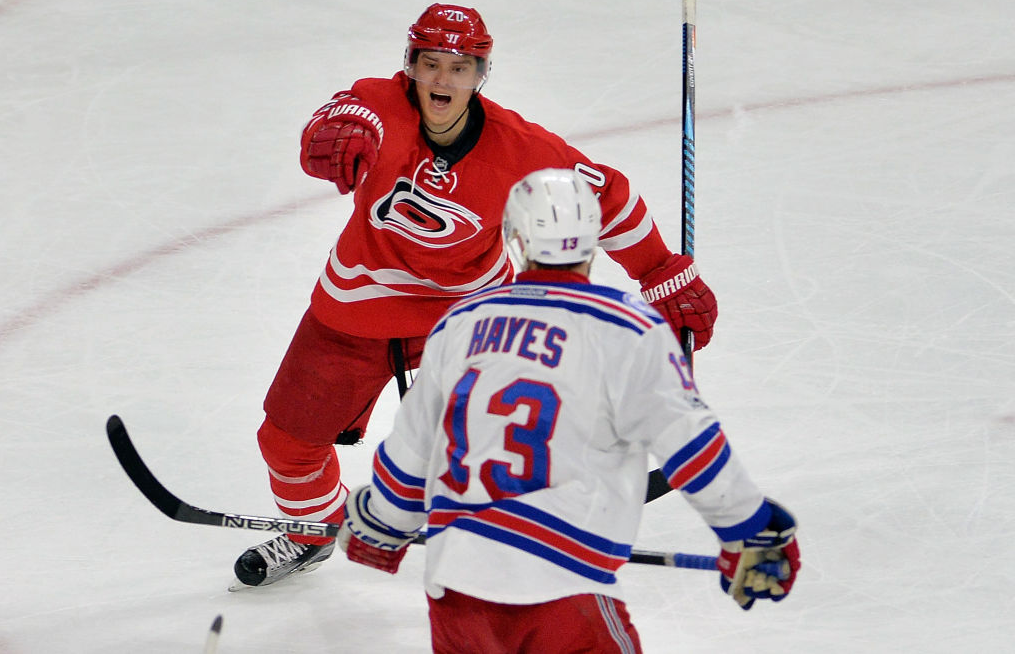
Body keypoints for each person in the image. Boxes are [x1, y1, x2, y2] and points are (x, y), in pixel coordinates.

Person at [234, 4, 719, 587]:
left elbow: (603, 200)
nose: (443, 79)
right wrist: (332, 132)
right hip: (357, 307)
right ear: (409, 65)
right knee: (286, 444)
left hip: (470, 318)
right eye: (431, 63)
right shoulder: (380, 108)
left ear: (481, 74)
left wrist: (663, 272)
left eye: (460, 67)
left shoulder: (521, 148)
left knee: (503, 441)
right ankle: (313, 529)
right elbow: (341, 113)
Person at [336, 168, 800, 653]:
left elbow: (412, 450)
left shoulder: (462, 323)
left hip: (457, 586)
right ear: (593, 241)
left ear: (515, 240)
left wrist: (381, 522)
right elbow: (691, 445)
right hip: (562, 581)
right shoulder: (624, 328)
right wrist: (750, 529)